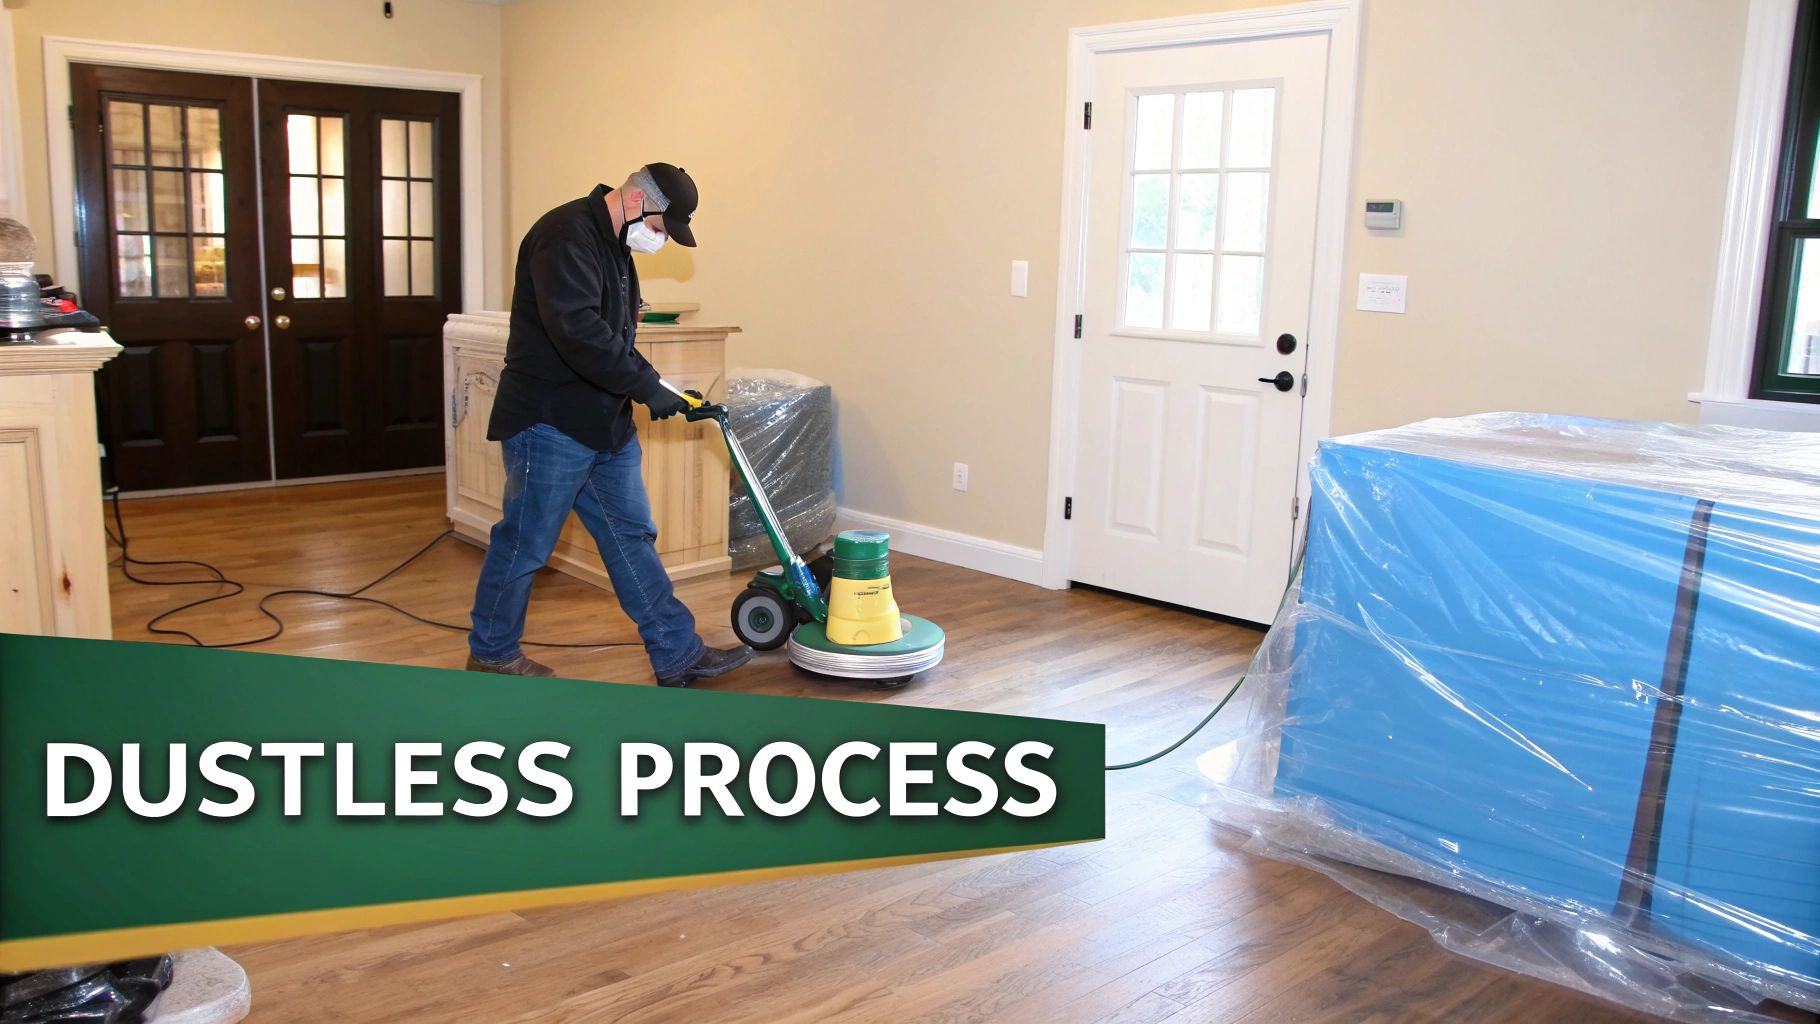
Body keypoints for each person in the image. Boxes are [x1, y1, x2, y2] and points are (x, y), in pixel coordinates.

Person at [466, 164, 752, 686]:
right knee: (525, 544)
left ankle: (676, 653)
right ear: (639, 200)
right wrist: (646, 387)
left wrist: (653, 387)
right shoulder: (564, 235)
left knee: (630, 537)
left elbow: (615, 333)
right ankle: (491, 653)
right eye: (662, 227)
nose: (659, 240)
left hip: (603, 423)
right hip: (549, 421)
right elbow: (579, 333)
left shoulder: (615, 243)